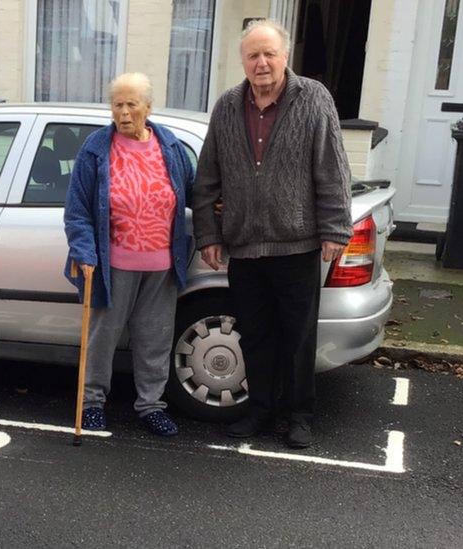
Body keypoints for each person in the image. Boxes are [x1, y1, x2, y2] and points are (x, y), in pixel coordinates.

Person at [192, 19, 352, 448]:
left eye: (269, 54)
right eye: (252, 55)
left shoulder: (313, 98)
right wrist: (209, 234)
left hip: (297, 245)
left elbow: (333, 169)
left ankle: (299, 415)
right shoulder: (227, 105)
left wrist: (336, 228)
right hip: (245, 247)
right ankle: (260, 410)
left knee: (298, 338)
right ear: (243, 61)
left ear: (285, 57)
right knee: (257, 336)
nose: (261, 63)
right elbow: (207, 177)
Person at [64, 72, 195, 436]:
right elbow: (77, 210)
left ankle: (151, 405)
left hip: (162, 265)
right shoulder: (95, 148)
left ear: (148, 108)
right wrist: (85, 251)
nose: (123, 113)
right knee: (102, 337)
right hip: (113, 264)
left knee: (155, 337)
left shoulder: (170, 147)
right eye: (117, 104)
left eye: (131, 104)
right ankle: (91, 402)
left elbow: (195, 191)